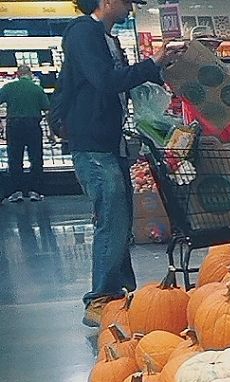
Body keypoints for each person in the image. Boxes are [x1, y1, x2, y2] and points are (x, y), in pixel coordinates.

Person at [58, 0, 180, 327]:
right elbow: (105, 80)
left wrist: (159, 66)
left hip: (110, 143)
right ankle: (100, 298)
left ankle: (121, 295)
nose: (129, 8)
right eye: (126, 1)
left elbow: (121, 82)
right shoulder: (83, 32)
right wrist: (149, 63)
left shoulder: (108, 37)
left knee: (120, 217)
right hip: (92, 144)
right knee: (111, 218)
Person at [0, 65, 49, 202]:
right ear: (31, 74)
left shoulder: (9, 88)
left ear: (17, 74)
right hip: (33, 126)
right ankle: (36, 191)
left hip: (14, 126)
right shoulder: (37, 89)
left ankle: (17, 191)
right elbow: (47, 110)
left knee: (15, 159)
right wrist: (51, 132)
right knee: (36, 158)